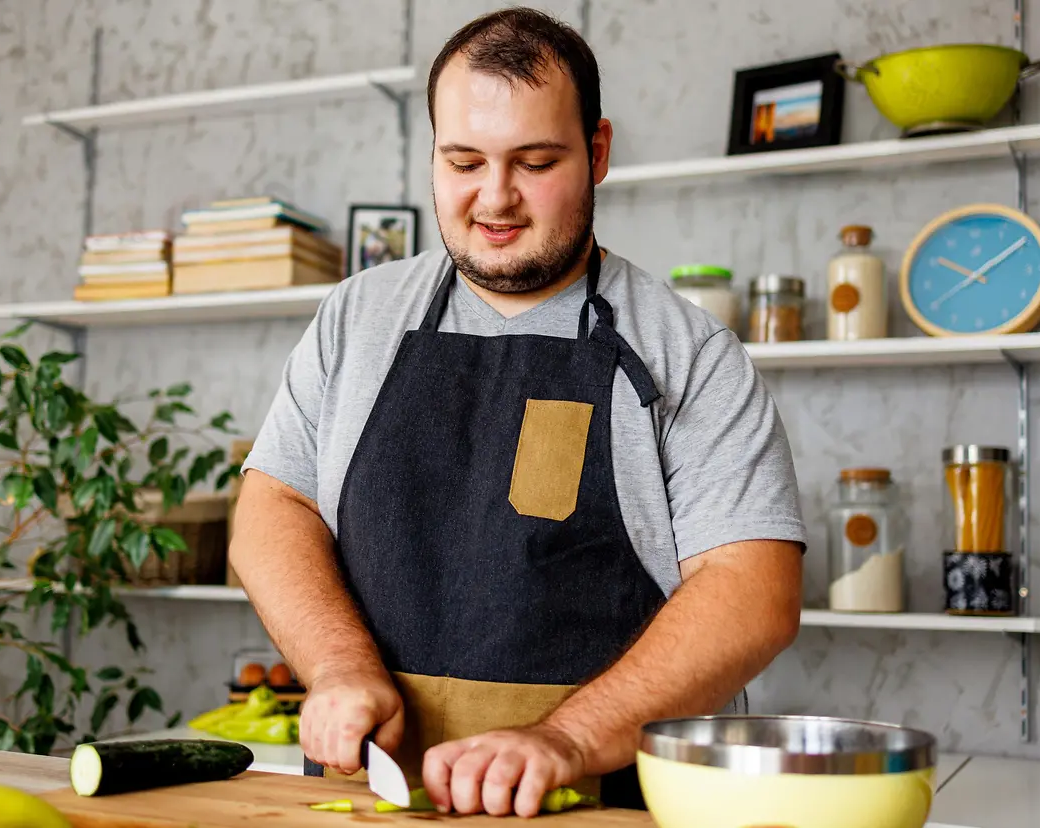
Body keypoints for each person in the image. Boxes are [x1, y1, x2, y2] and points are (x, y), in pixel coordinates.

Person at [228, 7, 806, 818]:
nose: (494, 199)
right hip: (374, 795)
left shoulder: (691, 353)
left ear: (597, 152)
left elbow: (753, 592)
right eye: (463, 161)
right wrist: (337, 665)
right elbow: (273, 506)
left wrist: (566, 740)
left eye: (534, 162)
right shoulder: (356, 319)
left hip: (608, 798)